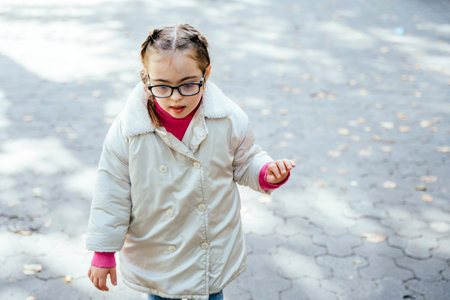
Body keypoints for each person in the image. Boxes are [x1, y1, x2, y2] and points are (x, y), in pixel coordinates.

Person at [86, 24, 296, 300]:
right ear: (145, 77)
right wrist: (103, 251)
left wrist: (266, 172)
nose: (175, 97)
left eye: (187, 84)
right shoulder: (129, 130)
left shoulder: (228, 118)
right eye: (161, 85)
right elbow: (111, 189)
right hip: (158, 250)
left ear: (206, 74)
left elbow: (246, 159)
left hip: (208, 249)